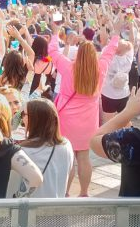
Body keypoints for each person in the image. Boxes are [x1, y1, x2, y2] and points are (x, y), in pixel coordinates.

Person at [49, 24, 118, 197]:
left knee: (69, 157)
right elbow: (110, 51)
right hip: (89, 120)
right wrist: (115, 34)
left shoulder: (68, 67)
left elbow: (53, 52)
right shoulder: (100, 68)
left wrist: (56, 32)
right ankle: (84, 192)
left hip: (66, 119)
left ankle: (65, 193)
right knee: (84, 157)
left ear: (78, 54)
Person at [20, 98, 75, 198]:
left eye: (24, 114)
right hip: (55, 205)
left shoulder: (25, 151)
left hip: (32, 208)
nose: (22, 118)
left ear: (35, 119)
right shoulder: (66, 145)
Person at [101, 38, 135, 123]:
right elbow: (131, 44)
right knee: (125, 120)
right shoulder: (129, 58)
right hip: (124, 93)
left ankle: (110, 136)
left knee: (108, 121)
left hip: (108, 93)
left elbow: (105, 45)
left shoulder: (109, 58)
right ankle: (127, 135)